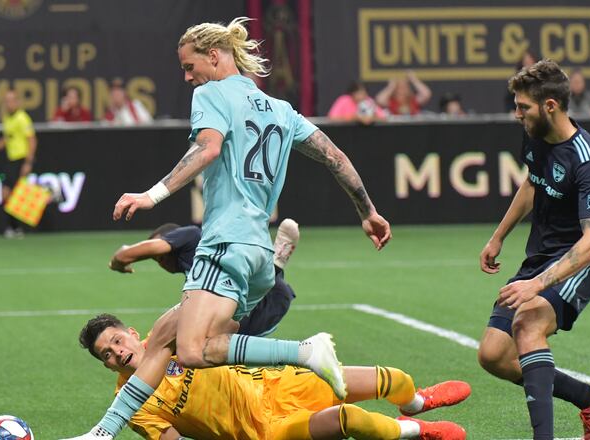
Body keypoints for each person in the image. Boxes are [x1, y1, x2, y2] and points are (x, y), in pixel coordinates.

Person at [70, 17, 391, 440]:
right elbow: (336, 157)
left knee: (191, 350)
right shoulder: (281, 109)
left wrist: (152, 196)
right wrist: (367, 211)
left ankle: (304, 352)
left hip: (224, 242)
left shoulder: (211, 93)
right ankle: (103, 432)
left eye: (189, 66)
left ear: (214, 56)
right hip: (259, 253)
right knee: (166, 337)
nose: (187, 78)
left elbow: (208, 147)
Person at [477, 59, 590, 440]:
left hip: (582, 259)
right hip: (541, 256)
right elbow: (532, 183)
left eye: (523, 107)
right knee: (492, 355)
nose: (517, 113)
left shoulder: (588, 162)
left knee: (528, 323)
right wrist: (498, 236)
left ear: (550, 106)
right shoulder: (535, 134)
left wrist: (536, 286)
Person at [72, 313, 470, 440]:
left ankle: (416, 402)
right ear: (106, 365)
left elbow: (226, 322)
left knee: (393, 378)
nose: (118, 352)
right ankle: (419, 430)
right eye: (107, 354)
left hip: (281, 383)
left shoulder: (177, 339)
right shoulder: (132, 404)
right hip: (263, 428)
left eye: (117, 340)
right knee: (350, 420)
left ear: (134, 335)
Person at [110, 219, 301, 337]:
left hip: (266, 299)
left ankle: (273, 264)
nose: (159, 261)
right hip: (260, 320)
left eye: (159, 256)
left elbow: (126, 253)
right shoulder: (193, 271)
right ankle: (273, 265)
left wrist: (119, 260)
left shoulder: (191, 236)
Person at [0, 90, 38, 238]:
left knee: (16, 194)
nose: (9, 104)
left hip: (21, 159)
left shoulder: (22, 118)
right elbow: (6, 140)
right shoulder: (7, 119)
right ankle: (14, 227)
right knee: (8, 194)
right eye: (6, 101)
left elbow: (32, 140)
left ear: (17, 102)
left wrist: (28, 162)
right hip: (11, 160)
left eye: (12, 100)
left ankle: (16, 227)